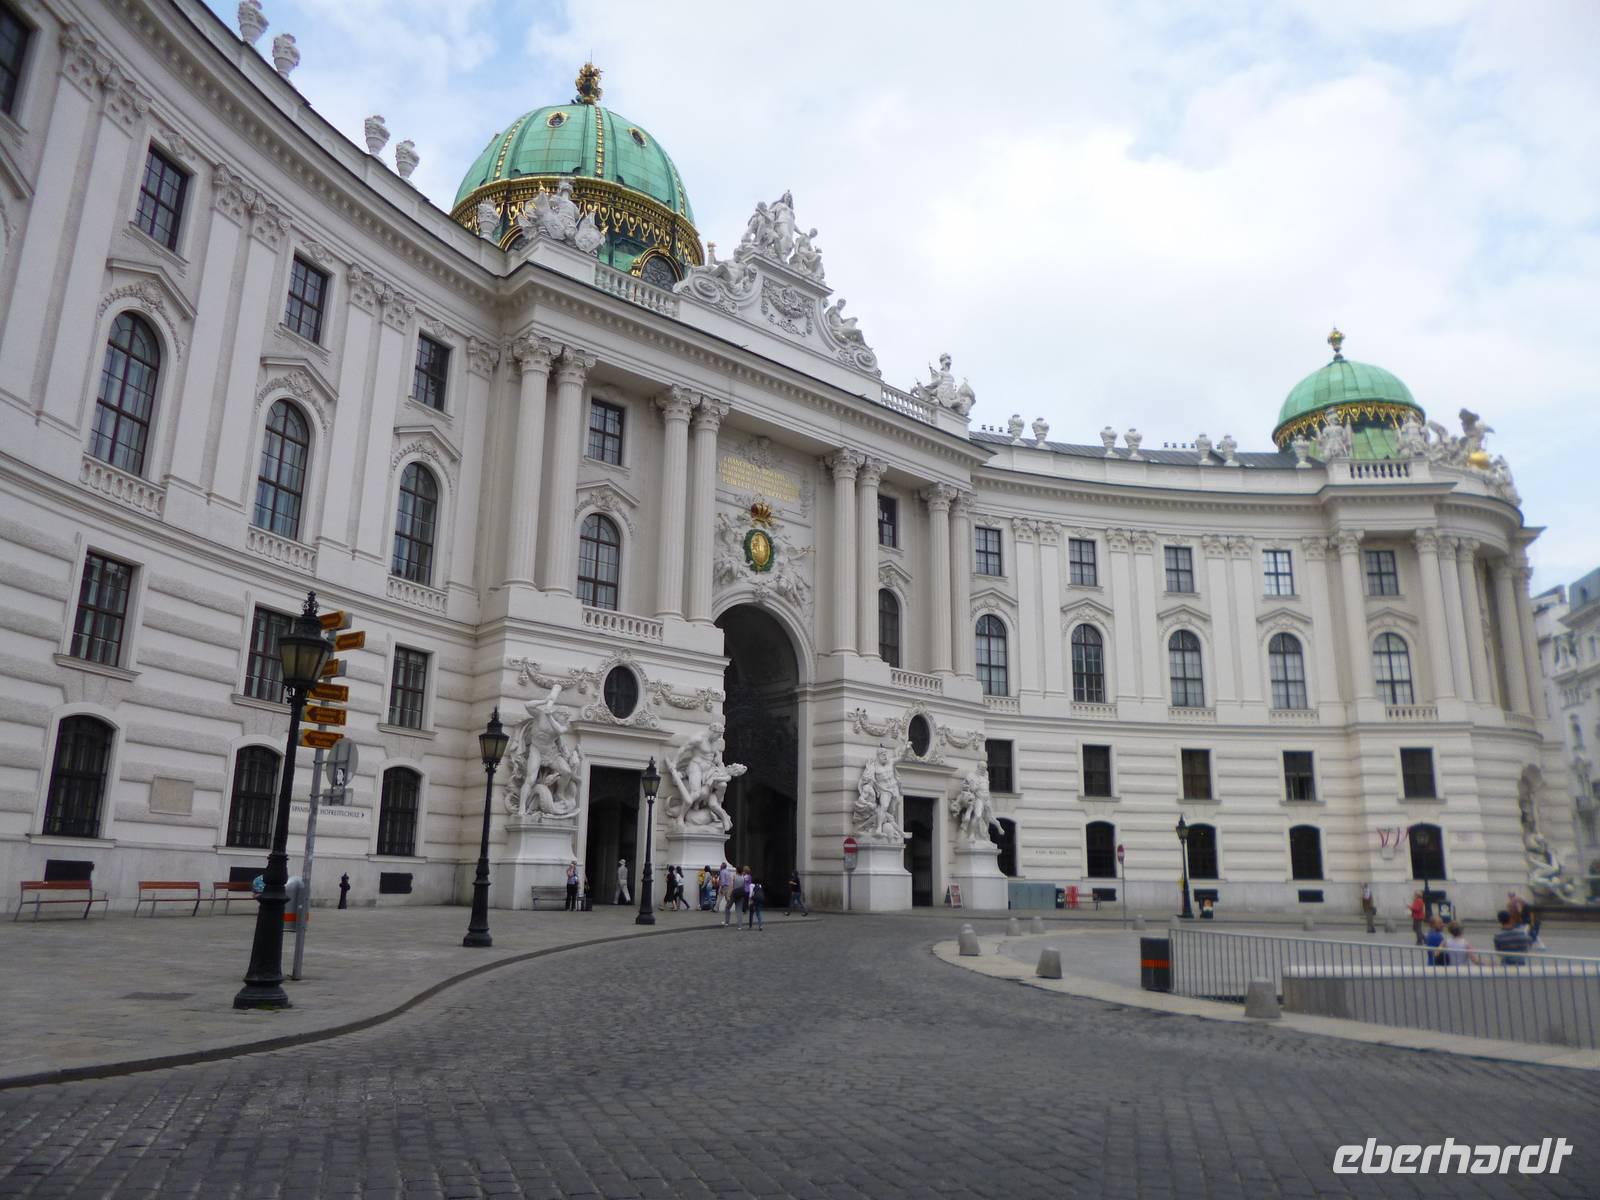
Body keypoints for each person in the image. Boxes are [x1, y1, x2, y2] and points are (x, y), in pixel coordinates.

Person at [719, 861, 736, 927]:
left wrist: (721, 888)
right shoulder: (728, 871)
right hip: (729, 887)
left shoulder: (722, 872)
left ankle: (727, 922)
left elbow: (722, 881)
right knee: (728, 904)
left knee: (727, 906)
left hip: (725, 887)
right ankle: (727, 921)